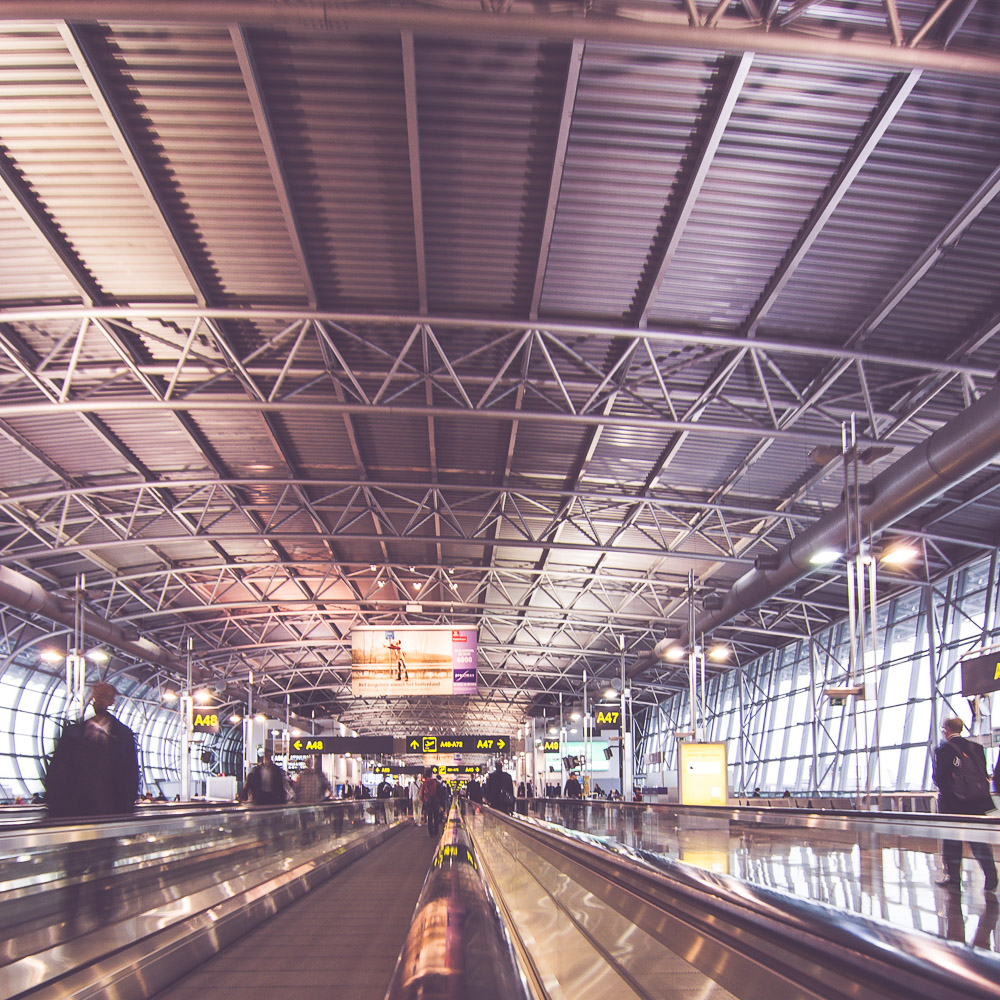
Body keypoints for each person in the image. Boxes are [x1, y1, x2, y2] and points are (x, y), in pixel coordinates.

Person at [45, 681, 140, 819]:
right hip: (73, 812)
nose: (99, 700)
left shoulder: (124, 736)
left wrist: (126, 808)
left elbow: (131, 775)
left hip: (111, 812)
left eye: (104, 696)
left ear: (112, 701)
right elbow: (56, 772)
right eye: (97, 695)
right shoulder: (72, 733)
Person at [932, 716, 997, 892]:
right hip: (977, 803)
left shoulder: (943, 750)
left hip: (953, 805)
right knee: (978, 841)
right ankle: (991, 877)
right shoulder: (976, 748)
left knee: (953, 841)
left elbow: (939, 778)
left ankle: (953, 878)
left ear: (946, 729)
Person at [421, 767, 444, 837]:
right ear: (431, 775)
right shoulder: (435, 782)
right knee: (436, 816)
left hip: (428, 801)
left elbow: (421, 794)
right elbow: (440, 793)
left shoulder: (424, 783)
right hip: (435, 801)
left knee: (430, 816)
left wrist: (423, 800)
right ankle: (436, 831)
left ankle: (431, 832)